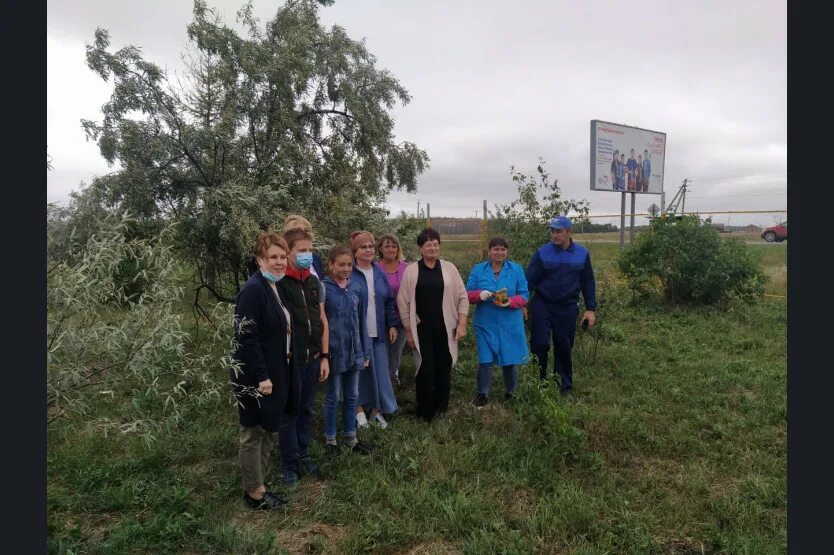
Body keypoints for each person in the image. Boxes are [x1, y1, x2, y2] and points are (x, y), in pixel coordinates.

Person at [230, 232, 296, 510]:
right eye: (273, 257)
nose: (280, 262)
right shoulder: (253, 290)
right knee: (253, 432)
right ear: (260, 260)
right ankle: (254, 493)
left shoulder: (273, 286)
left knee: (269, 428)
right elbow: (246, 337)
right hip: (256, 375)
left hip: (275, 369)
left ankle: (260, 483)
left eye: (283, 257)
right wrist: (261, 376)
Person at [276, 228, 330, 487]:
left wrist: (325, 356)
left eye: (310, 250)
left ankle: (304, 453)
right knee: (290, 412)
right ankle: (289, 463)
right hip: (290, 360)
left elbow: (321, 319)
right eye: (301, 251)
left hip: (313, 356)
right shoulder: (278, 284)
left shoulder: (313, 283)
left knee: (307, 409)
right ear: (288, 253)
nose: (307, 255)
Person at [397, 228, 469, 421]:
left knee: (444, 368)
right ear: (420, 248)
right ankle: (424, 412)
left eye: (436, 244)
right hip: (422, 329)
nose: (432, 248)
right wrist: (409, 333)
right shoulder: (412, 271)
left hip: (447, 328)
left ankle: (441, 410)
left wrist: (462, 324)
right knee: (425, 369)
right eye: (428, 244)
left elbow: (463, 297)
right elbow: (403, 303)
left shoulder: (449, 268)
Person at [525, 216, 597, 396]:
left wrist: (590, 308)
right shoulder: (543, 252)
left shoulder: (581, 254)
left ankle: (563, 386)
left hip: (567, 306)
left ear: (569, 231)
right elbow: (529, 280)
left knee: (563, 345)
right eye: (552, 231)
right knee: (539, 343)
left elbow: (588, 282)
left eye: (559, 231)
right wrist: (523, 303)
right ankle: (539, 383)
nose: (554, 235)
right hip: (542, 304)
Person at [321, 246, 373, 457]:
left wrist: (365, 352)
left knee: (352, 395)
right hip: (333, 352)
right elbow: (320, 323)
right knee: (333, 396)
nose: (345, 269)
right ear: (331, 264)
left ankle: (351, 437)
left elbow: (362, 322)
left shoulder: (357, 288)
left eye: (349, 265)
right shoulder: (323, 288)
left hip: (355, 352)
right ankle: (330, 440)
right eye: (341, 264)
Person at [466, 237, 529, 407]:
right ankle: (482, 394)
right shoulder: (479, 270)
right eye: (496, 249)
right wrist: (478, 295)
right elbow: (466, 293)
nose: (499, 252)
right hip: (485, 322)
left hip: (510, 322)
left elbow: (524, 295)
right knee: (485, 360)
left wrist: (510, 302)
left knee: (509, 360)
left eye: (503, 249)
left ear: (507, 252)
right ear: (489, 251)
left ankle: (510, 393)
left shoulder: (516, 269)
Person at [350, 230, 399, 429]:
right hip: (356, 334)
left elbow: (388, 300)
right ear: (354, 251)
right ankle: (358, 411)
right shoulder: (349, 272)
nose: (368, 250)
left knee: (380, 372)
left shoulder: (378, 271)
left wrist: (392, 324)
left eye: (371, 246)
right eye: (363, 247)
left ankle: (377, 410)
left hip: (377, 332)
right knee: (358, 374)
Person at [375, 234, 410, 386]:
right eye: (387, 246)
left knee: (396, 351)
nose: (391, 249)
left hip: (401, 316)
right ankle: (381, 381)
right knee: (382, 352)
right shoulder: (375, 267)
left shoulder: (406, 268)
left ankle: (393, 377)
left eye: (394, 246)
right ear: (381, 249)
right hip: (381, 317)